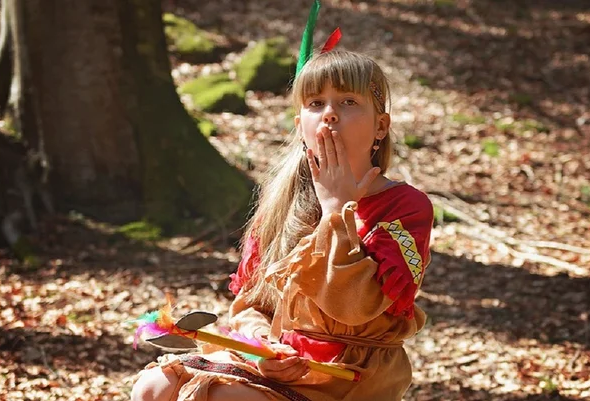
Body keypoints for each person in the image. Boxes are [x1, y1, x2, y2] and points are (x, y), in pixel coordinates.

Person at [131, 48, 434, 401]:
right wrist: (262, 348)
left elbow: (353, 309)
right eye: (316, 103)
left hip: (349, 375)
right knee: (153, 388)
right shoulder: (282, 201)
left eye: (349, 102)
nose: (330, 115)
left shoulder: (406, 207)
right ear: (299, 124)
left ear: (381, 125)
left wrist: (337, 212)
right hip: (277, 363)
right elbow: (250, 306)